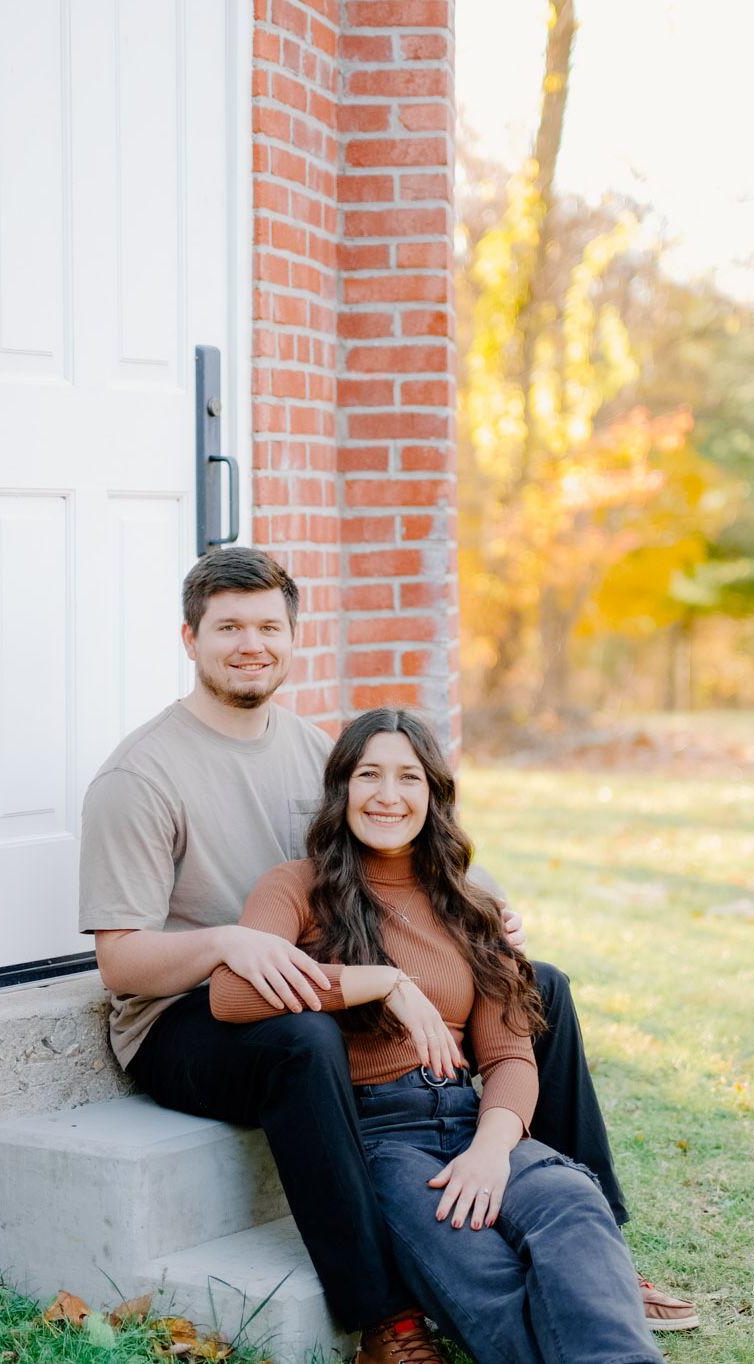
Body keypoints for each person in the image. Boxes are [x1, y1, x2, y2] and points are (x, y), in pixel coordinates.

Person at [79, 548, 697, 1362]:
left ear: (293, 637)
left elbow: (404, 837)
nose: (251, 644)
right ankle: (383, 1316)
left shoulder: (313, 749)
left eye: (268, 627)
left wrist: (487, 916)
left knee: (537, 984)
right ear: (190, 638)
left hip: (304, 965)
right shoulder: (141, 775)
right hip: (189, 1011)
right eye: (228, 628)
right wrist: (236, 942)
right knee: (304, 1040)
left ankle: (598, 1239)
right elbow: (122, 965)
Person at [211, 708, 665, 1364]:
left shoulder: (467, 902)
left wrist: (490, 1151)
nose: (387, 795)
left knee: (574, 1206)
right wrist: (380, 983)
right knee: (481, 1269)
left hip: (473, 1120)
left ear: (434, 795)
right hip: (384, 1143)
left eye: (409, 778)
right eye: (369, 775)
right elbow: (231, 995)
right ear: (342, 788)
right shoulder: (295, 887)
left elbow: (509, 1056)